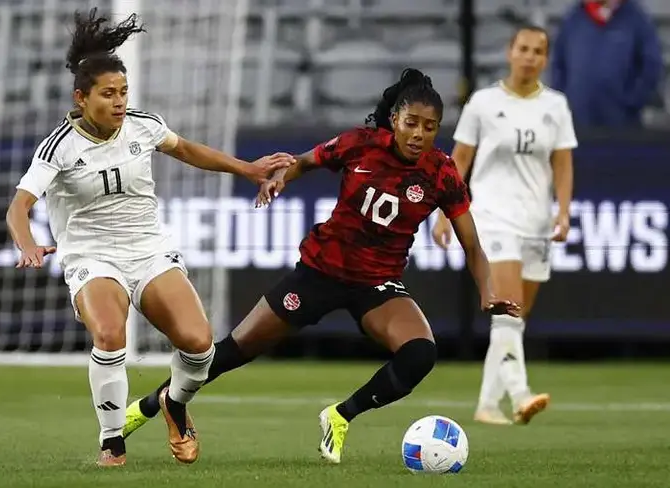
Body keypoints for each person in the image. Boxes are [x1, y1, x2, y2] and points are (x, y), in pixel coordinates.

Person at [121, 68, 520, 464]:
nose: (419, 134)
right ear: (395, 118)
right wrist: (281, 179)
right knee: (231, 352)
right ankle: (150, 405)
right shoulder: (361, 144)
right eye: (411, 123)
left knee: (420, 354)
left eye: (429, 127)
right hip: (320, 272)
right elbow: (306, 161)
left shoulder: (441, 172)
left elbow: (472, 245)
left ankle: (340, 415)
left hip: (377, 284)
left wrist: (488, 291)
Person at [6, 8, 293, 467]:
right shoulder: (58, 146)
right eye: (107, 94)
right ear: (81, 98)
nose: (119, 102)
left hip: (149, 250)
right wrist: (26, 244)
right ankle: (112, 442)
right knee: (109, 334)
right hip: (92, 256)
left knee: (199, 345)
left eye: (123, 92)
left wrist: (248, 169)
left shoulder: (143, 125)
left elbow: (189, 150)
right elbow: (19, 206)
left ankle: (173, 403)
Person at [433, 25, 577, 426]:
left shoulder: (556, 106)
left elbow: (562, 164)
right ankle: (521, 394)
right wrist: (444, 212)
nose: (530, 57)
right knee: (508, 311)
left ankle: (486, 404)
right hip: (492, 216)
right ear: (509, 52)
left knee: (512, 321)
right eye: (523, 48)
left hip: (536, 220)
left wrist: (563, 211)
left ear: (545, 59)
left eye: (538, 51)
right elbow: (459, 160)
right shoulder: (483, 102)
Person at [551, 0, 662, 128]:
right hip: (578, 123)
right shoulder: (573, 19)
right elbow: (558, 64)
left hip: (622, 124)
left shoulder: (636, 19)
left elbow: (651, 66)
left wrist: (632, 101)